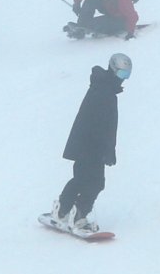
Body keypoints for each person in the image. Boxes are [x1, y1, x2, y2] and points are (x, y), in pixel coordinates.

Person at [49, 54, 131, 233]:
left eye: (127, 75)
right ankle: (77, 216)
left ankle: (63, 210)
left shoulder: (103, 87)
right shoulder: (104, 91)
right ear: (114, 70)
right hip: (90, 146)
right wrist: (106, 150)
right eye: (123, 74)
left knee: (82, 179)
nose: (123, 80)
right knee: (94, 182)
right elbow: (100, 124)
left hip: (87, 146)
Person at [68, 0, 139, 40]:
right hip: (109, 9)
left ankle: (97, 27)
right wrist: (77, 3)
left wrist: (130, 33)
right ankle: (82, 24)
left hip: (120, 18)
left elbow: (132, 16)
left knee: (97, 24)